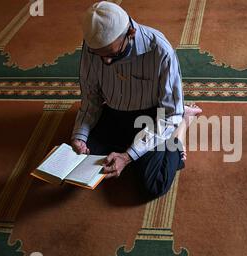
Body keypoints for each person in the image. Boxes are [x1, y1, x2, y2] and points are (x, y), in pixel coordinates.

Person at [71, 1, 202, 198]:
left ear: (130, 33)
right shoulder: (93, 48)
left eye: (113, 54)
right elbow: (91, 98)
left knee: (153, 185)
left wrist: (128, 156)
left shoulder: (160, 50)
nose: (106, 61)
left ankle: (182, 126)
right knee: (79, 164)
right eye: (100, 55)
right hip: (114, 114)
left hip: (152, 118)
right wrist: (79, 136)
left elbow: (169, 113)